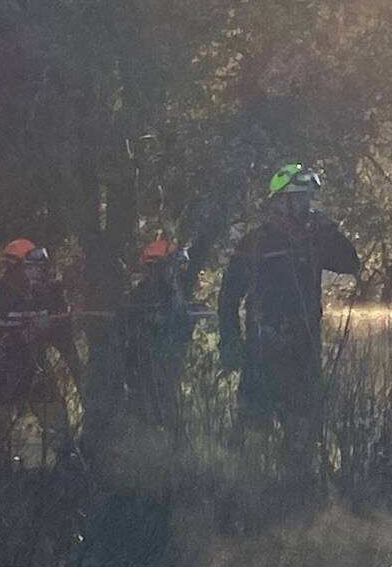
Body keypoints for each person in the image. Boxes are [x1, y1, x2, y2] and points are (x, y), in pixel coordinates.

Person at [213, 166, 360, 471]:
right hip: (262, 354)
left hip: (303, 355)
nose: (307, 205)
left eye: (308, 197)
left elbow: (350, 263)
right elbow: (228, 297)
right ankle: (245, 504)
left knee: (301, 443)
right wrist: (229, 341)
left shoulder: (315, 240)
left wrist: (329, 231)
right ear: (280, 201)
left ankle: (293, 506)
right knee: (252, 440)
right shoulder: (255, 243)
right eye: (299, 198)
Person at [0, 236, 79, 461]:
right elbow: (11, 333)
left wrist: (55, 299)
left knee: (58, 426)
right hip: (5, 379)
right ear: (15, 269)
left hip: (36, 371)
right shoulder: (1, 298)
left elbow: (61, 327)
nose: (36, 274)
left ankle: (68, 466)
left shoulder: (39, 294)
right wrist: (35, 328)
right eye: (31, 268)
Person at [102, 233, 194, 436]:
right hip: (143, 365)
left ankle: (171, 448)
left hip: (166, 364)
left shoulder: (173, 296)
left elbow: (183, 326)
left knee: (169, 409)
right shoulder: (140, 297)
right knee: (147, 410)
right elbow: (124, 331)